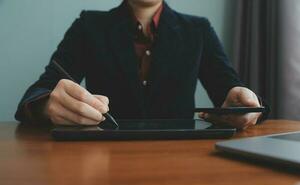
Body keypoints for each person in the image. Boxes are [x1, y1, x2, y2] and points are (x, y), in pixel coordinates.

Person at [15, 0, 267, 129]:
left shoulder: (198, 30)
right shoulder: (88, 25)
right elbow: (39, 92)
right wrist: (47, 105)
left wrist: (242, 106)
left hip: (181, 163)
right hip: (103, 161)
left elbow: (230, 91)